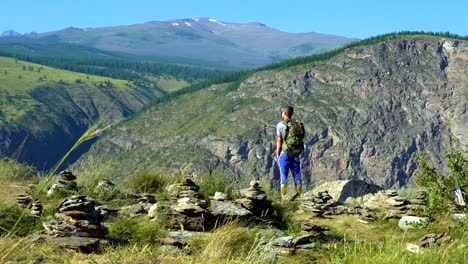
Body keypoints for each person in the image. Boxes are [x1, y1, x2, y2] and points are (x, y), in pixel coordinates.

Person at [275, 105, 303, 200]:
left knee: (284, 176)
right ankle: (299, 197)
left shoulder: (281, 125)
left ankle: (284, 198)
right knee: (297, 176)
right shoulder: (297, 124)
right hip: (296, 154)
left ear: (285, 113)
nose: (281, 114)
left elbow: (279, 140)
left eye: (282, 112)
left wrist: (278, 153)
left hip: (285, 154)